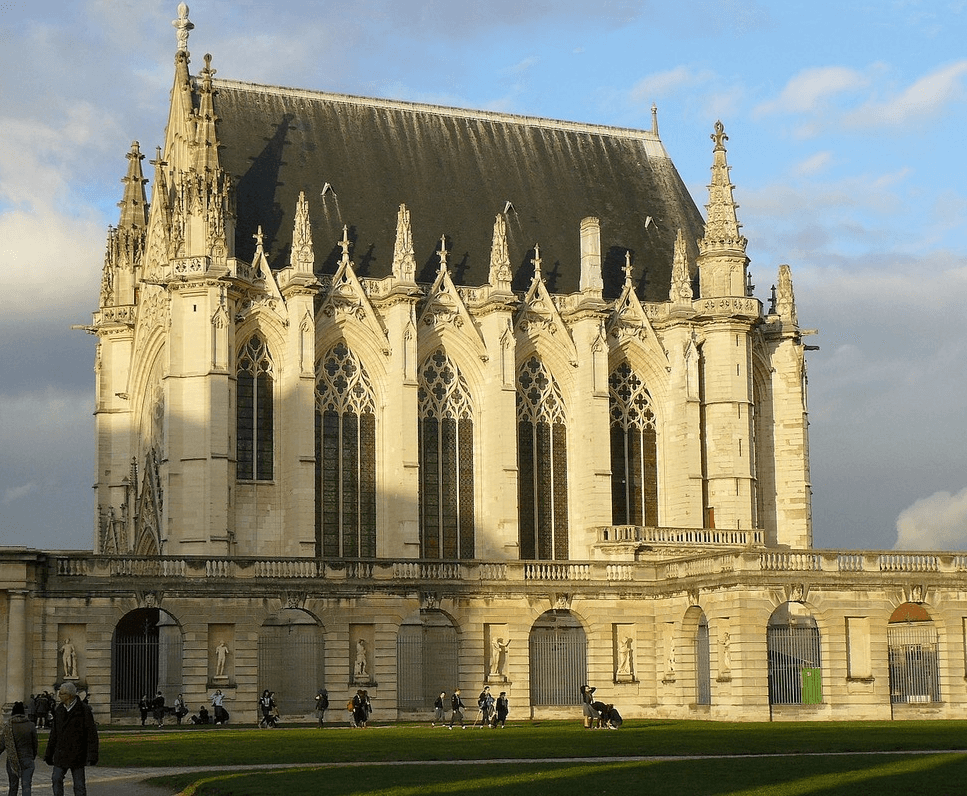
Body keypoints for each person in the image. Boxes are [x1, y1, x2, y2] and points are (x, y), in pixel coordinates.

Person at [44, 682, 98, 796]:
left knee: (79, 785)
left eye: (62, 693)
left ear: (70, 695)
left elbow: (91, 734)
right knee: (56, 779)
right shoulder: (59, 709)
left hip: (77, 753)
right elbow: (54, 734)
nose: (59, 696)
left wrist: (92, 755)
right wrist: (49, 754)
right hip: (61, 752)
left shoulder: (84, 710)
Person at [1, 701, 38, 796]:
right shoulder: (31, 725)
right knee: (26, 786)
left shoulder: (8, 726)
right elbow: (35, 745)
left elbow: (2, 745)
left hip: (13, 760)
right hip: (27, 759)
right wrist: (32, 756)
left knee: (13, 787)